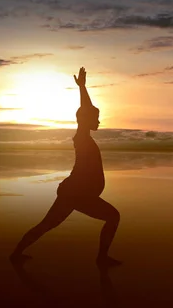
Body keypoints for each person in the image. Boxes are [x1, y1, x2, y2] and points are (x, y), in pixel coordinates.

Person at [10, 67, 121, 267]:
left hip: (78, 194)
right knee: (112, 217)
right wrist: (83, 89)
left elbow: (86, 113)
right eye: (96, 118)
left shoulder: (85, 138)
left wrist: (83, 88)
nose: (99, 121)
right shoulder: (82, 138)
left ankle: (16, 253)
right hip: (77, 194)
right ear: (86, 120)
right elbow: (85, 112)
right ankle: (101, 259)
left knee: (47, 225)